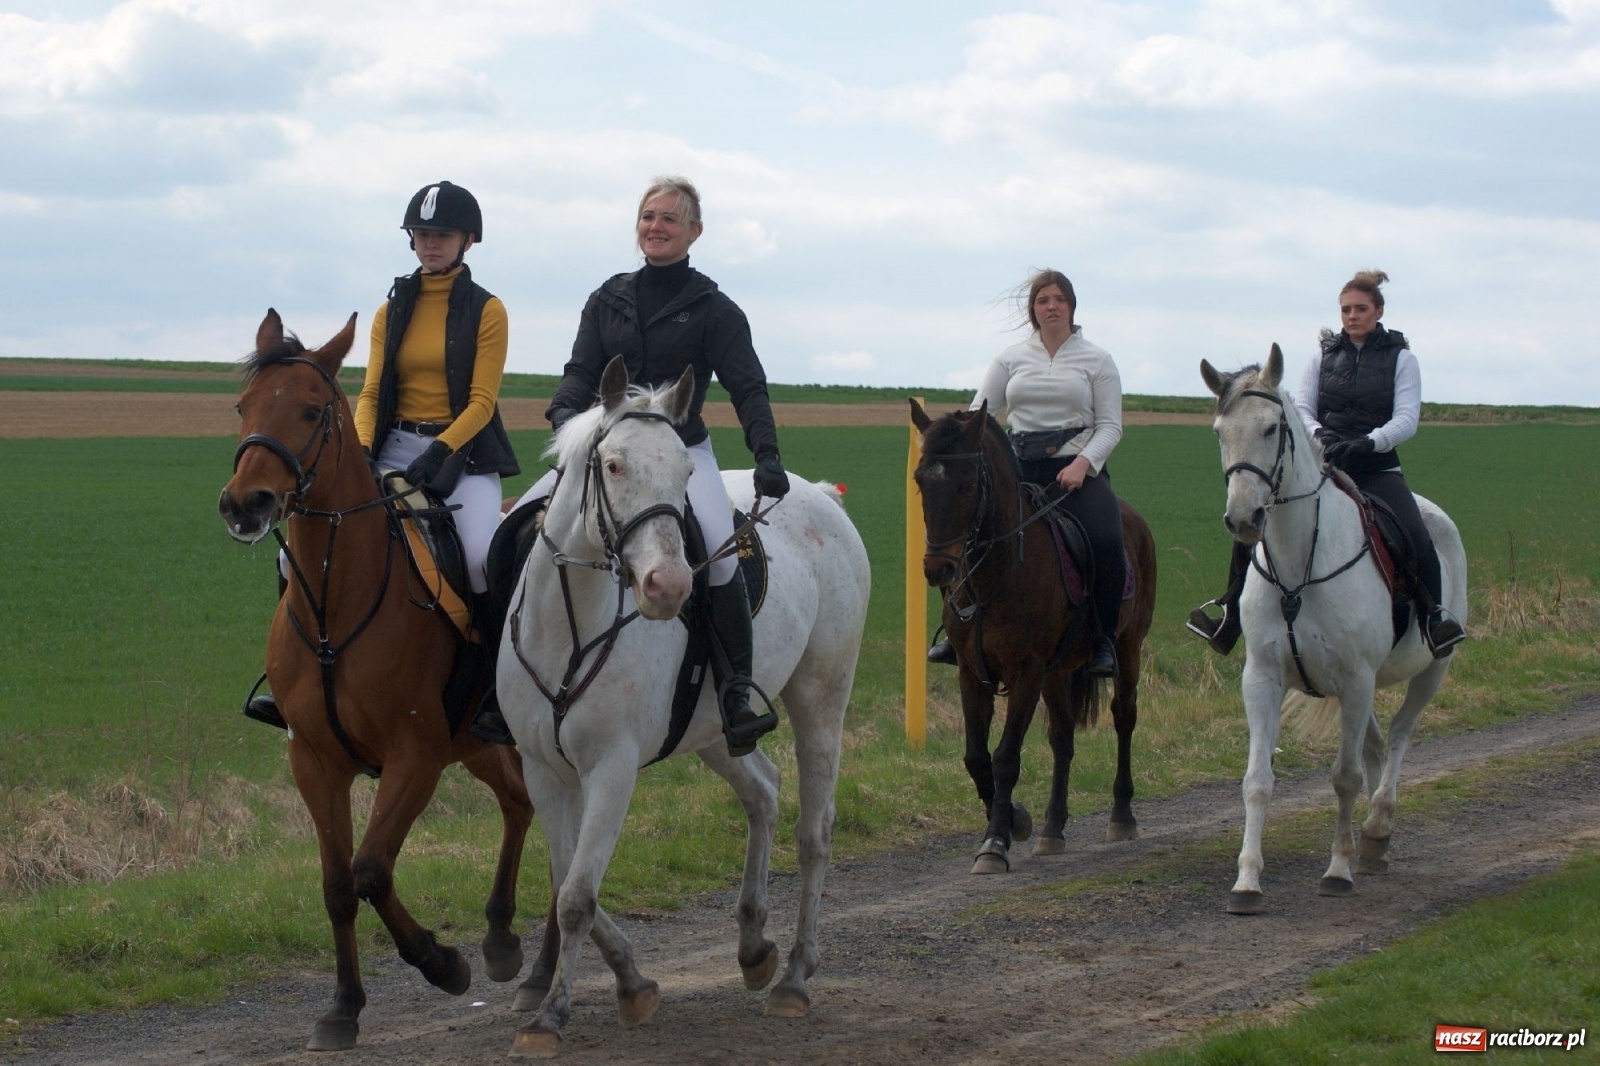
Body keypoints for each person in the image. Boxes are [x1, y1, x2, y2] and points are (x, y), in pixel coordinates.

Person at [476, 174, 788, 757]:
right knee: (510, 536)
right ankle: (494, 692)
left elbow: (749, 388)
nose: (657, 226)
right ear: (637, 227)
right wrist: (566, 412)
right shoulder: (607, 298)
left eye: (671, 218)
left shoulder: (715, 309)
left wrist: (767, 455)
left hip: (678, 451)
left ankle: (736, 696)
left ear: (694, 231)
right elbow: (579, 368)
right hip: (606, 448)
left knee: (720, 564)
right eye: (649, 216)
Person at [244, 180, 519, 729]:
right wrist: (366, 449)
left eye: (442, 235)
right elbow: (370, 393)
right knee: (291, 554)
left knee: (479, 560)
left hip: (462, 458)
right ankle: (290, 683)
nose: (430, 244)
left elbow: (483, 401)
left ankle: (496, 693)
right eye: (420, 234)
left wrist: (438, 452)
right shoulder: (389, 310)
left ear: (468, 240)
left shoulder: (488, 311)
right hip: (393, 447)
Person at [1186, 268, 1466, 659]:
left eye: (1361, 309)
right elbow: (1303, 408)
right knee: (1252, 526)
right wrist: (1323, 438)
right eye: (1346, 309)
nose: (1352, 316)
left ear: (1378, 311)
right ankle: (1230, 614)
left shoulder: (1402, 358)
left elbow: (1406, 419)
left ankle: (1435, 619)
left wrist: (1369, 443)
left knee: (1417, 534)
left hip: (1376, 469)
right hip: (1326, 464)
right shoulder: (1323, 357)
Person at [928, 268, 1125, 678]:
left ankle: (1103, 638)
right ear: (1033, 311)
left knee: (1107, 537)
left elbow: (1110, 426)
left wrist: (1083, 464)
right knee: (966, 531)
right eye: (1042, 300)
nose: (1051, 306)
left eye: (1059, 299)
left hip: (1075, 472)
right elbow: (979, 414)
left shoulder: (1098, 360)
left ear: (1071, 306)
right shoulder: (1010, 358)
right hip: (1018, 468)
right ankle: (955, 629)